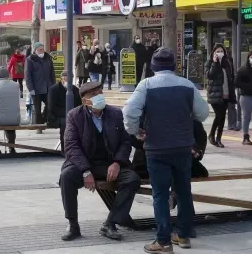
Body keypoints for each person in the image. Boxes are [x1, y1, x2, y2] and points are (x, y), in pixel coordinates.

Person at [123, 48, 210, 251]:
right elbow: (203, 113)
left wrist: (136, 131)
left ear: (153, 67)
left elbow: (129, 111)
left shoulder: (146, 85)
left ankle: (163, 241)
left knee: (160, 195)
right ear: (173, 66)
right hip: (182, 147)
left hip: (157, 148)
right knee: (184, 192)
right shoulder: (187, 85)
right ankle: (183, 236)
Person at [59, 81, 141, 242]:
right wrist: (85, 170)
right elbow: (71, 146)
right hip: (83, 163)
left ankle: (110, 223)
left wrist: (117, 162)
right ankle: (73, 224)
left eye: (100, 92)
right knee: (66, 177)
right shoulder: (74, 116)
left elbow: (125, 141)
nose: (98, 97)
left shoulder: (115, 113)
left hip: (109, 163)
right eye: (93, 94)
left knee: (132, 179)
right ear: (84, 100)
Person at [205, 43, 236, 148]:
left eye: (221, 51)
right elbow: (209, 75)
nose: (220, 53)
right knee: (219, 116)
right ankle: (211, 135)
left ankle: (218, 138)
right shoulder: (209, 62)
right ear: (214, 52)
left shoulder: (228, 62)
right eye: (217, 51)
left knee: (222, 118)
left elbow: (231, 77)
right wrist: (214, 63)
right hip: (215, 94)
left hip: (226, 93)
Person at [47, 70, 82, 153]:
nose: (67, 81)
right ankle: (65, 150)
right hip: (56, 116)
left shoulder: (75, 90)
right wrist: (68, 114)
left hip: (71, 114)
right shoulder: (54, 89)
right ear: (61, 79)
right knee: (65, 123)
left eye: (69, 79)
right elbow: (52, 107)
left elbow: (79, 104)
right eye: (65, 79)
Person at [25, 42, 55, 126]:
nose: (42, 51)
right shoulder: (30, 59)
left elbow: (52, 73)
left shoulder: (48, 58)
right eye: (40, 49)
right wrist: (31, 88)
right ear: (35, 50)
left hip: (48, 87)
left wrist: (53, 85)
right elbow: (28, 75)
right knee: (37, 109)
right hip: (36, 88)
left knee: (50, 105)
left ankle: (44, 118)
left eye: (43, 49)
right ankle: (39, 126)